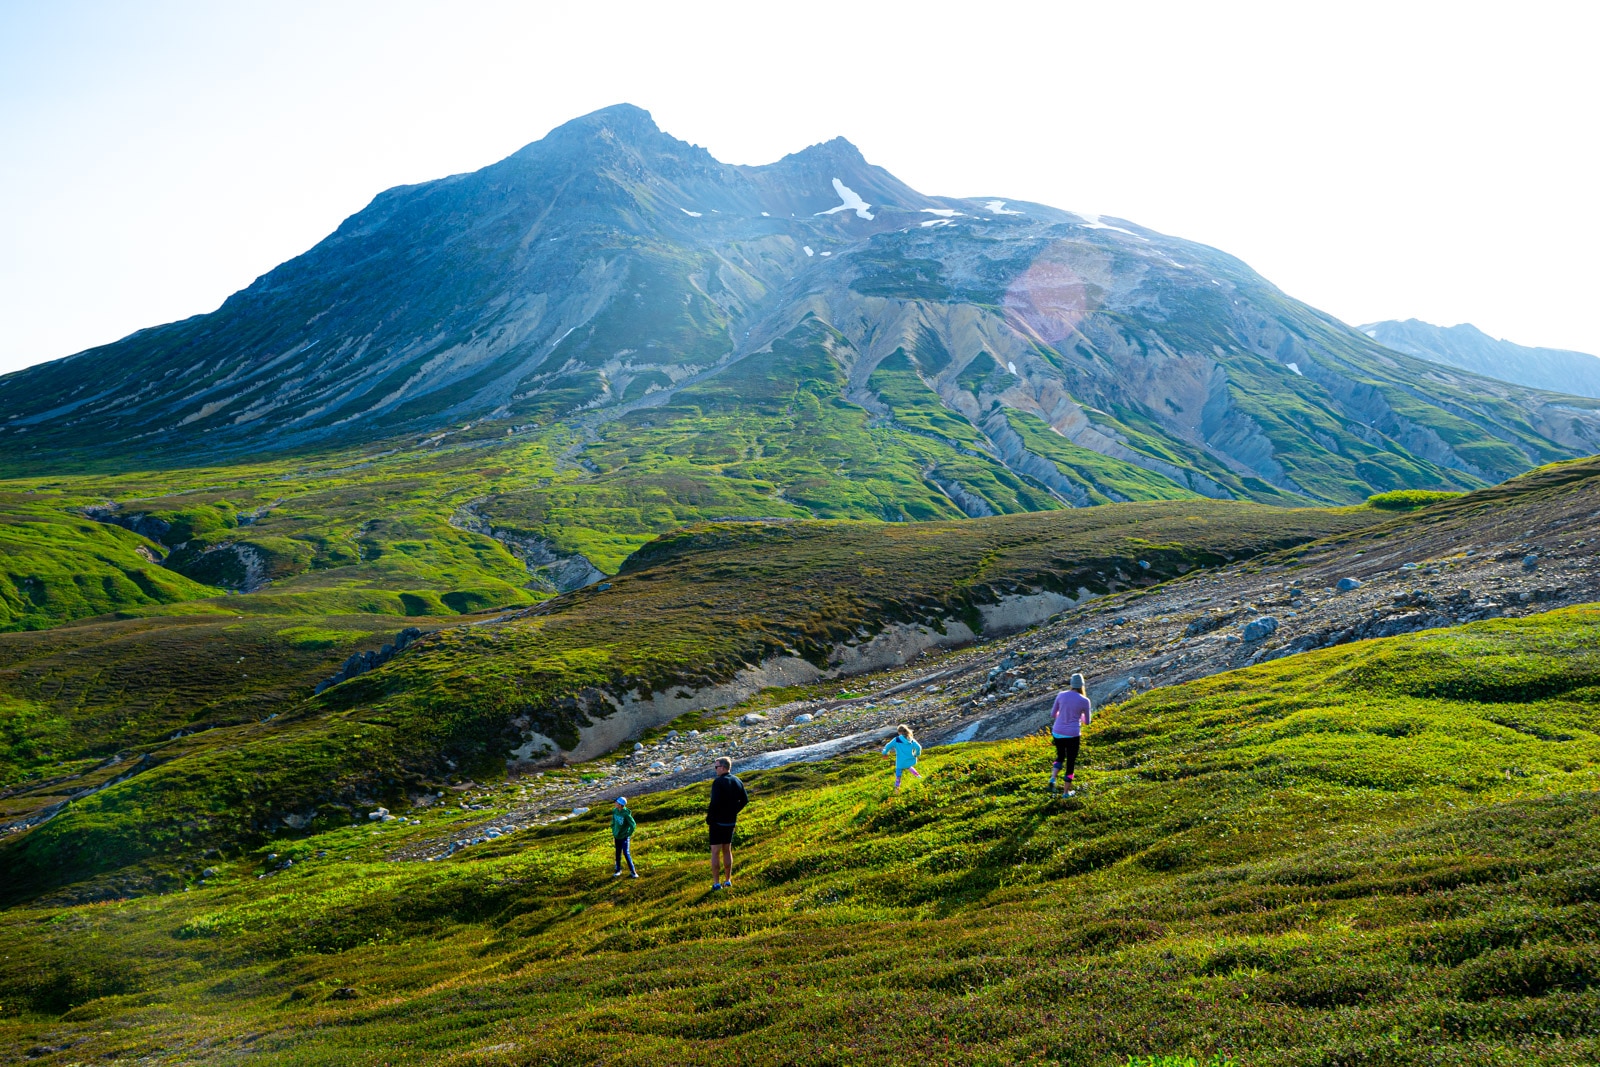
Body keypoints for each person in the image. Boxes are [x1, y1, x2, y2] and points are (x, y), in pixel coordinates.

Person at [706, 756, 748, 890]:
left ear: (723, 767)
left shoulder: (718, 782)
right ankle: (728, 880)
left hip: (717, 823)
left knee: (715, 851)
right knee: (727, 850)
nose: (715, 769)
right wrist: (733, 812)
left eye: (716, 767)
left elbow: (715, 802)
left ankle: (716, 883)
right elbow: (745, 800)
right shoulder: (737, 781)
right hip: (730, 822)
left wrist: (710, 818)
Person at [1048, 673, 1092, 796]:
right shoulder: (1084, 700)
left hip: (1057, 731)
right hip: (1072, 734)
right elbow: (1087, 722)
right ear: (1082, 685)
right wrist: (1080, 716)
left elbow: (1053, 714)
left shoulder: (1061, 695)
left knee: (1060, 756)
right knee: (1070, 762)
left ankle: (1052, 779)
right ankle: (1066, 793)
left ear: (1071, 684)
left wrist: (1062, 717)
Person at [881, 724, 924, 792]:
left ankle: (897, 788)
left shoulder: (896, 740)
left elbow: (888, 746)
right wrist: (916, 754)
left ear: (899, 732)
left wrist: (885, 753)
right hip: (910, 759)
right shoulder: (911, 739)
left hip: (900, 761)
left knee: (898, 773)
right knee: (908, 766)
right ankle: (918, 776)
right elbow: (918, 747)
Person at [611, 796, 638, 878]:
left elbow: (633, 825)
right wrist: (613, 829)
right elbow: (613, 821)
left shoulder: (626, 814)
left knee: (626, 853)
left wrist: (628, 834)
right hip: (617, 836)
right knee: (617, 853)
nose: (615, 803)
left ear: (620, 804)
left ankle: (633, 872)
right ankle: (618, 870)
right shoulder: (615, 811)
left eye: (616, 802)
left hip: (624, 837)